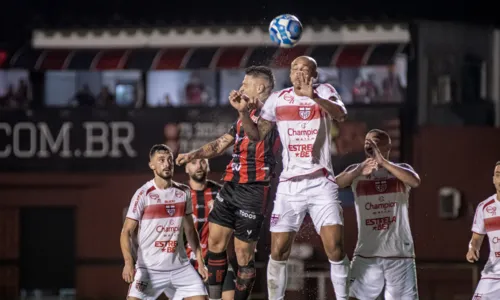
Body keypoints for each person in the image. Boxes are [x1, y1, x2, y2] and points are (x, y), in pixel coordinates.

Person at [232, 56, 349, 300]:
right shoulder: (278, 99)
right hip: (289, 186)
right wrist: (244, 113)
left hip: (321, 183)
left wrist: (313, 97)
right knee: (278, 251)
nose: (297, 72)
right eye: (294, 68)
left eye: (304, 68)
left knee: (335, 249)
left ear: (314, 74)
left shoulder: (325, 91)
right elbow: (256, 136)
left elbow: (340, 115)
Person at [176, 66, 280, 300]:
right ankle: (214, 298)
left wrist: (243, 112)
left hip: (254, 189)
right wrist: (193, 155)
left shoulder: (273, 110)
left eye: (245, 84)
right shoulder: (245, 114)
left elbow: (256, 136)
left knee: (243, 256)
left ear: (260, 87)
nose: (241, 88)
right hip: (231, 185)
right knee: (215, 242)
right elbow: (221, 143)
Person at [335, 129, 421, 300]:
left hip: (399, 254)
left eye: (374, 141)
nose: (369, 144)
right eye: (367, 141)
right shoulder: (358, 171)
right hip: (367, 253)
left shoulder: (401, 170)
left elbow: (415, 181)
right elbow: (334, 183)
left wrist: (384, 162)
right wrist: (359, 170)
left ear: (387, 146)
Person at [120, 144, 208, 300]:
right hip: (150, 270)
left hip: (181, 268)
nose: (167, 164)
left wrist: (200, 261)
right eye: (161, 160)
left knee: (201, 298)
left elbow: (190, 230)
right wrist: (128, 262)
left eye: (170, 160)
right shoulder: (143, 193)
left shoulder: (183, 192)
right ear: (151, 165)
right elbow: (126, 232)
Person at [184, 158, 236, 300]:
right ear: (186, 169)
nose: (199, 166)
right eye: (194, 163)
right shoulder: (180, 195)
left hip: (216, 258)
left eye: (202, 162)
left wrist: (221, 212)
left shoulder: (221, 193)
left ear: (208, 166)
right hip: (189, 262)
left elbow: (235, 222)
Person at [467, 161, 500, 300]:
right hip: (493, 273)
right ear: (493, 179)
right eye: (498, 175)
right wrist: (472, 248)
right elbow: (476, 238)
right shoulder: (484, 207)